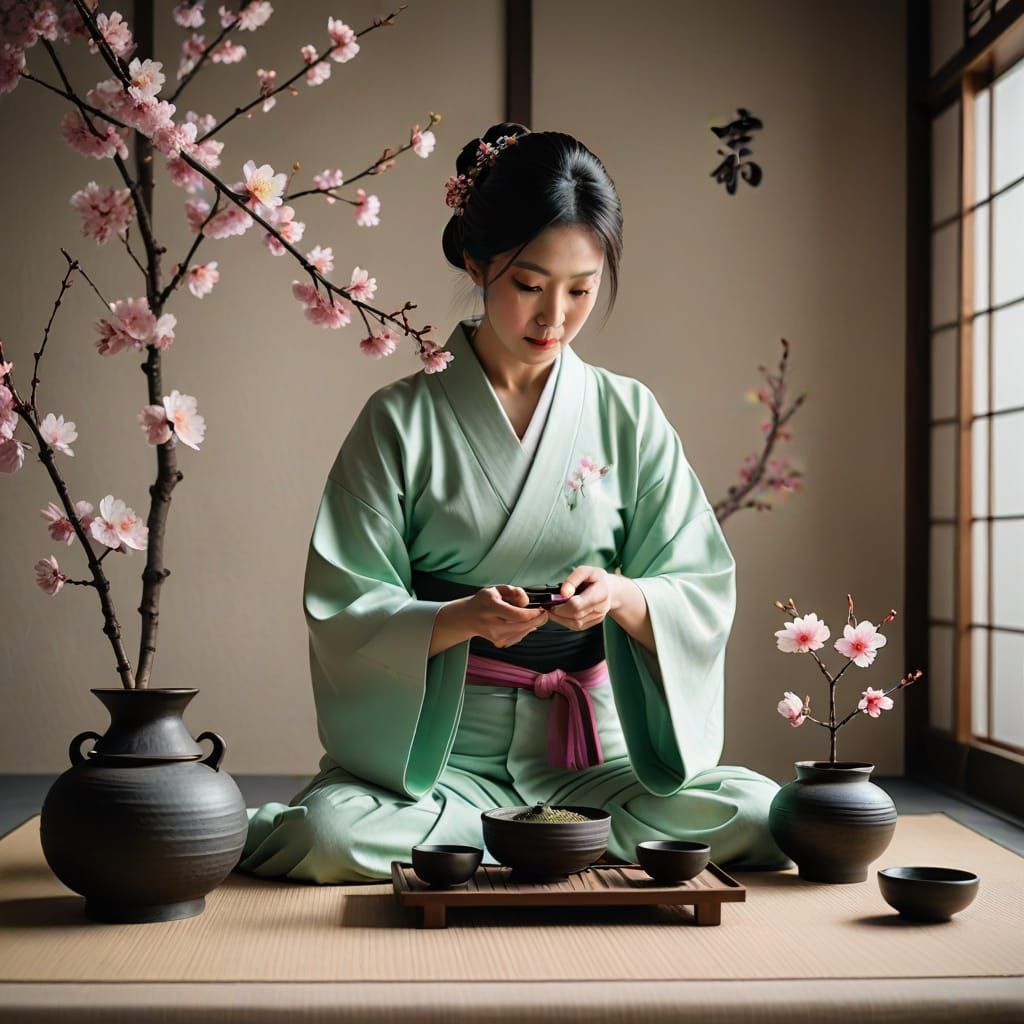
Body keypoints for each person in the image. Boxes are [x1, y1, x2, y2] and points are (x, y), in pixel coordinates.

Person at [234, 122, 792, 884]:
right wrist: (460, 618)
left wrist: (623, 598)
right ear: (475, 259)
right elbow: (343, 603)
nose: (553, 318)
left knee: (762, 814)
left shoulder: (629, 414)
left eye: (581, 290)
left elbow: (698, 587)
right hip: (443, 764)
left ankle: (494, 849)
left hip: (600, 760)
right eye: (529, 285)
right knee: (329, 834)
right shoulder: (400, 420)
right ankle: (517, 840)